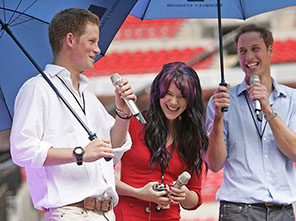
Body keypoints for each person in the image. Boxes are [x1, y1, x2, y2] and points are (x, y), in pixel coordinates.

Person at [10, 8, 136, 221]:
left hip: (105, 213)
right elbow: (21, 149)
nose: (97, 49)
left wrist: (123, 114)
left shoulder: (87, 93)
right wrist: (80, 153)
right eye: (92, 41)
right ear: (70, 39)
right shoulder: (37, 89)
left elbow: (111, 150)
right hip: (70, 212)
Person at [205, 24, 296, 221]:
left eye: (255, 49)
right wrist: (218, 120)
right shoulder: (222, 101)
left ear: (270, 50)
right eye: (242, 51)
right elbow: (214, 163)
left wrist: (268, 109)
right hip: (238, 210)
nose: (248, 57)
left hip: (283, 211)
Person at [114, 62, 209, 220]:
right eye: (168, 94)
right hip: (128, 215)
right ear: (158, 92)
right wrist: (138, 193)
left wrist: (183, 195)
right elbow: (103, 176)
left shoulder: (193, 138)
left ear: (190, 100)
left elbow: (195, 198)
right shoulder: (133, 124)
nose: (173, 102)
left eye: (181, 97)